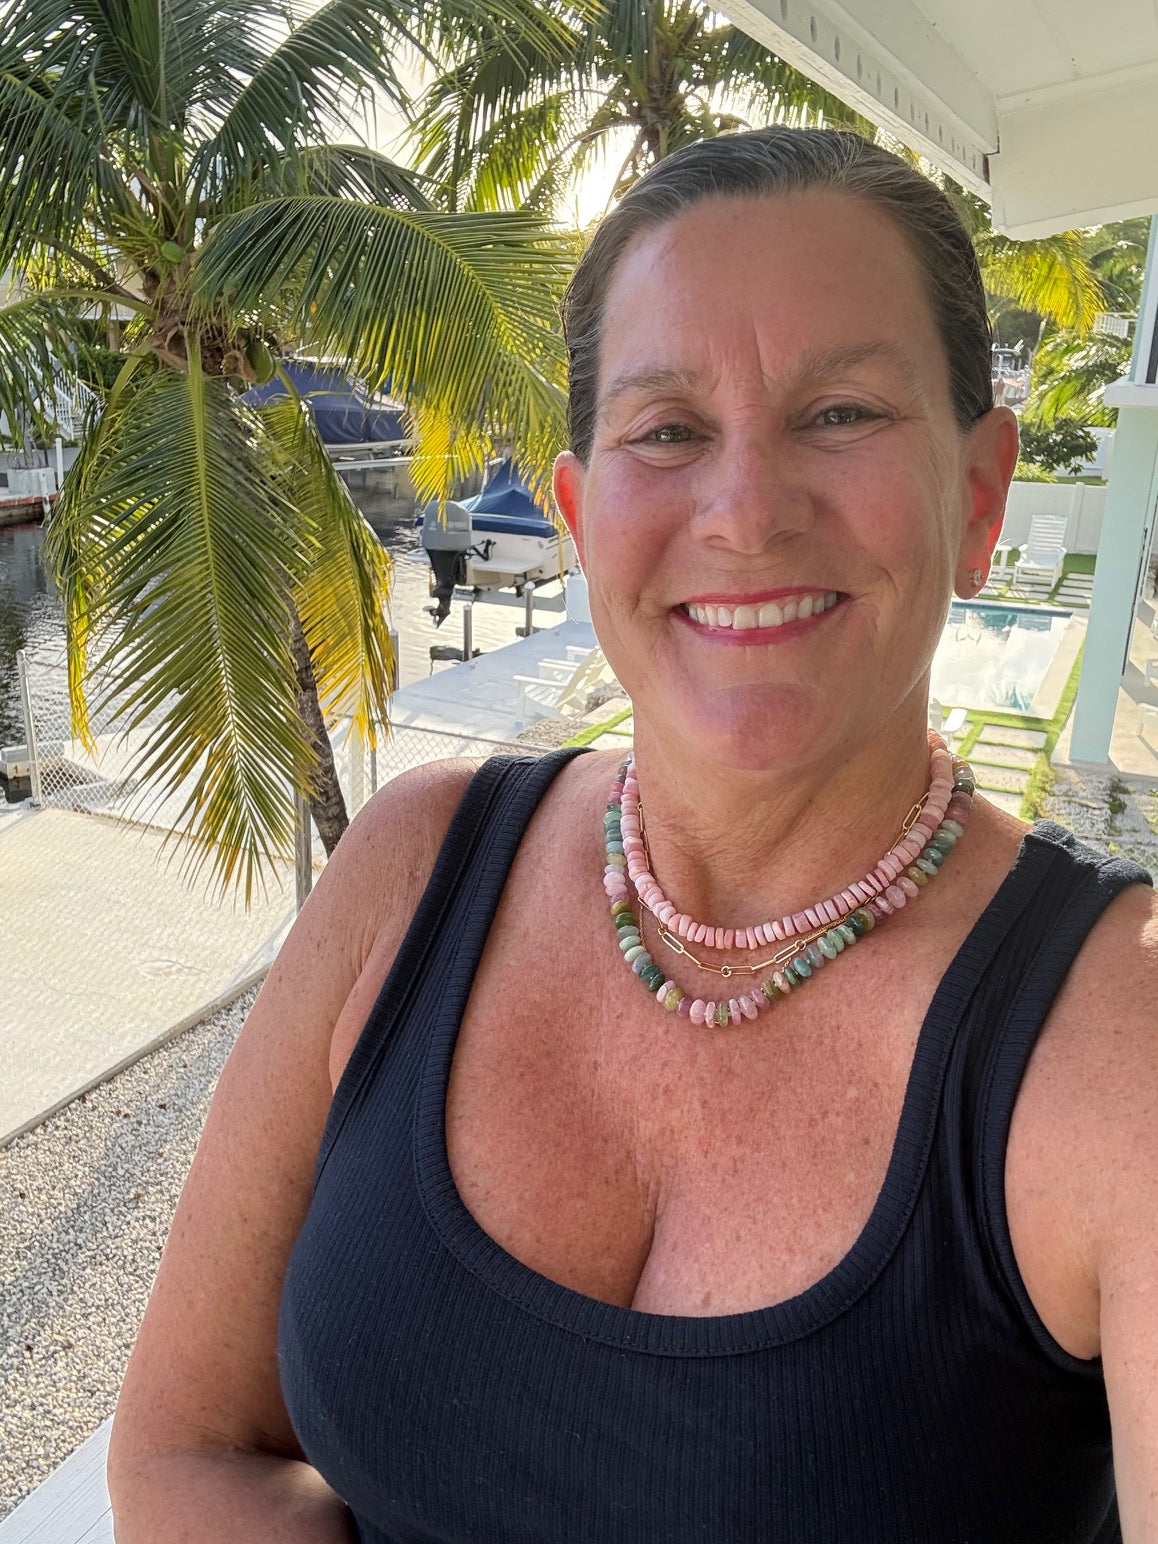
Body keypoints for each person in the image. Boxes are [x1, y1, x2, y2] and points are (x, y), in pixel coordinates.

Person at [107, 128, 1157, 1542]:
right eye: (667, 430)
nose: (743, 512)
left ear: (976, 498)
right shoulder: (414, 867)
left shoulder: (1115, 1045)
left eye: (839, 411)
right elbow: (184, 1449)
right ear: (583, 518)